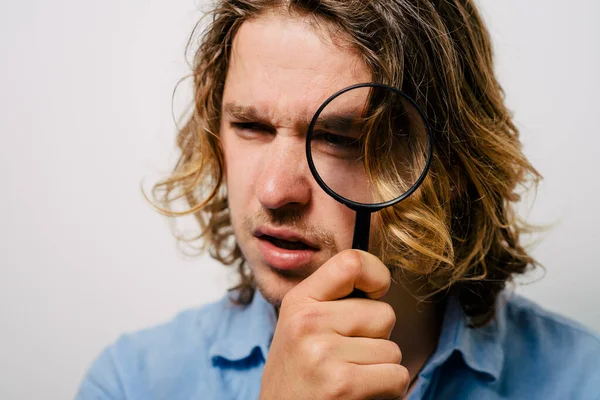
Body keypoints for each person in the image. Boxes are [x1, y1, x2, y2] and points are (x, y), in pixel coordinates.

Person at [76, 0, 600, 399]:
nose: (275, 191)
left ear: (455, 162)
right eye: (251, 126)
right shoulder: (130, 382)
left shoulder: (583, 379)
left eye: (342, 139)